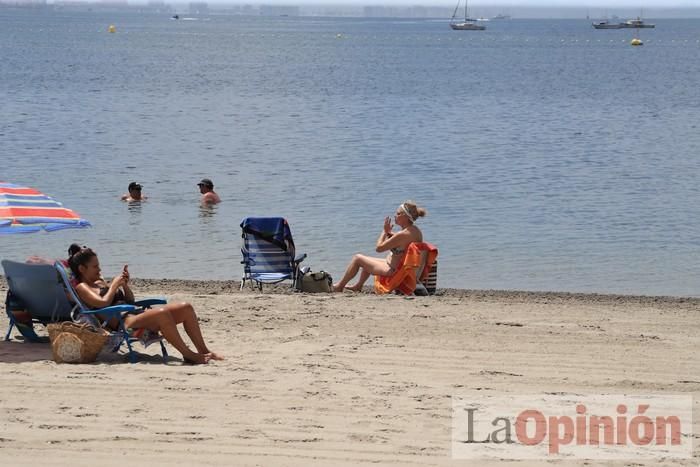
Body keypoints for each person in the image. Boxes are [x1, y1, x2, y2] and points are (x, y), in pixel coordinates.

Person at [68, 247, 223, 364]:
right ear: (82, 269)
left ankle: (204, 350)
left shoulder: (99, 282)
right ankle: (188, 355)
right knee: (162, 313)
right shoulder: (82, 287)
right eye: (95, 267)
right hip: (125, 323)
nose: (99, 269)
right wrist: (114, 285)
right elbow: (102, 303)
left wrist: (124, 285)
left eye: (99, 265)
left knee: (186, 307)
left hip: (135, 315)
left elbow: (130, 301)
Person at [332, 201, 427, 292]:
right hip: (401, 268)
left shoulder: (402, 235)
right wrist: (390, 234)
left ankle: (340, 286)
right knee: (367, 260)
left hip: (393, 270)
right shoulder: (415, 231)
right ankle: (358, 286)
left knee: (357, 258)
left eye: (398, 214)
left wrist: (384, 232)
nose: (395, 216)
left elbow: (379, 248)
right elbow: (401, 241)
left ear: (405, 217)